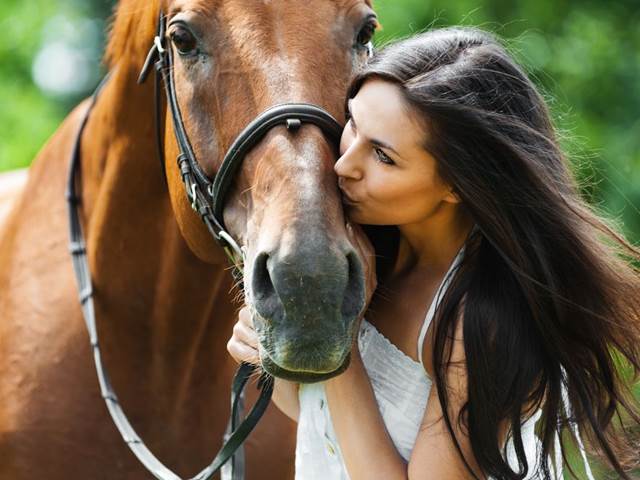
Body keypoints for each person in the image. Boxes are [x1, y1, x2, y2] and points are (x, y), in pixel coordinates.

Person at [227, 26, 640, 479]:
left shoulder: (481, 320)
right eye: (352, 124)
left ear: (457, 184)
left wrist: (338, 337)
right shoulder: (367, 242)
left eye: (383, 157)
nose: (344, 165)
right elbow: (321, 418)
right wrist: (279, 352)